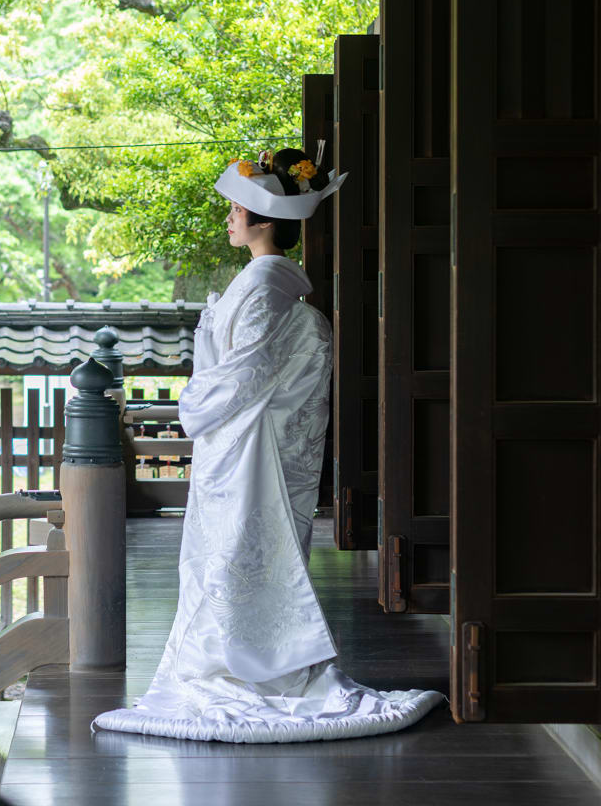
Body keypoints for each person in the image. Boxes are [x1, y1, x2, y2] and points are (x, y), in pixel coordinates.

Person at [93, 148, 444, 743]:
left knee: (236, 553)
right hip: (239, 447)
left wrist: (192, 406)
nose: (229, 217)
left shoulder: (265, 288)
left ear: (262, 219)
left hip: (246, 450)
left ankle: (248, 664)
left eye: (237, 208)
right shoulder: (267, 284)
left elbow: (242, 375)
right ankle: (236, 657)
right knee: (228, 555)